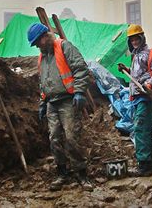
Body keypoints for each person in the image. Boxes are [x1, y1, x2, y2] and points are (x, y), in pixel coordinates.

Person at [27, 23, 93, 191]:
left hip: (68, 100)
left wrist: (79, 92)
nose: (38, 46)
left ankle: (81, 174)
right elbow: (44, 83)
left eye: (38, 42)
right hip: (52, 102)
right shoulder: (42, 57)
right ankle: (62, 172)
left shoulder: (64, 46)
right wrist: (43, 103)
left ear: (45, 36)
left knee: (72, 137)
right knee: (54, 138)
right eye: (35, 44)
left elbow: (80, 69)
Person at [118, 24, 152, 176]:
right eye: (131, 40)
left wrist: (149, 84)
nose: (134, 42)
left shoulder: (151, 54)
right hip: (138, 97)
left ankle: (144, 164)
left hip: (146, 97)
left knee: (140, 128)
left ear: (142, 38)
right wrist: (127, 70)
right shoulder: (135, 56)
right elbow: (138, 75)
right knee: (147, 129)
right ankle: (151, 161)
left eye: (136, 39)